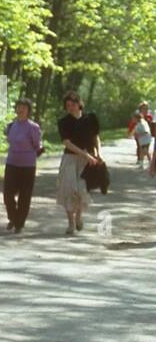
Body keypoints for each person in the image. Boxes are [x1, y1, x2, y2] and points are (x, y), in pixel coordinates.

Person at [57, 91, 101, 236]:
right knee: (69, 190)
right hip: (70, 159)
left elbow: (96, 137)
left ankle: (79, 216)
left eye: (73, 104)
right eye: (68, 105)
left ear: (79, 103)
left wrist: (98, 153)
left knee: (82, 191)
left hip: (87, 160)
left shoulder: (91, 118)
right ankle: (70, 222)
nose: (71, 107)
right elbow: (67, 143)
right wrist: (85, 154)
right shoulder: (64, 122)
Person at [2, 99, 43, 233]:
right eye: (19, 107)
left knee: (25, 196)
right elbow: (9, 140)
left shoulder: (33, 127)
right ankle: (13, 217)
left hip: (27, 165)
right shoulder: (11, 125)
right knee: (8, 194)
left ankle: (19, 223)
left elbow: (37, 145)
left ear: (28, 111)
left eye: (24, 108)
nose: (21, 110)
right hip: (12, 163)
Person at [132, 104, 152, 170]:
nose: (133, 119)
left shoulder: (142, 123)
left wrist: (139, 135)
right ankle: (141, 164)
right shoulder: (138, 124)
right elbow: (135, 130)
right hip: (142, 140)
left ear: (137, 118)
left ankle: (151, 163)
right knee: (141, 152)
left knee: (145, 151)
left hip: (146, 140)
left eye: (134, 118)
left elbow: (146, 131)